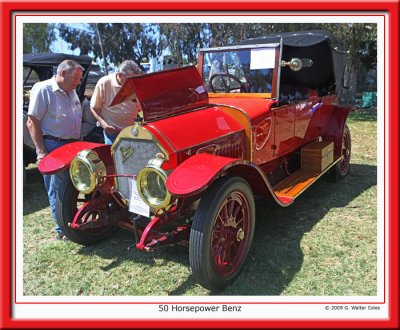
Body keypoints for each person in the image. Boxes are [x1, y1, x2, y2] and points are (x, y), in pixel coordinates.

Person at [26, 59, 84, 241]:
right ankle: (62, 229)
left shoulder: (72, 92)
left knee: (70, 188)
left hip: (71, 146)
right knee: (57, 189)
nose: (78, 82)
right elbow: (32, 121)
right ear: (62, 73)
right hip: (54, 146)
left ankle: (69, 221)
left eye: (80, 78)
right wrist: (41, 152)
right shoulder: (44, 90)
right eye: (76, 77)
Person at [90, 60, 142, 144]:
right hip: (113, 134)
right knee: (114, 156)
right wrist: (105, 125)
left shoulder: (135, 85)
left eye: (134, 80)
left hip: (132, 133)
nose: (132, 84)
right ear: (119, 75)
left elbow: (140, 109)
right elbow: (94, 107)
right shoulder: (104, 83)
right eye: (129, 80)